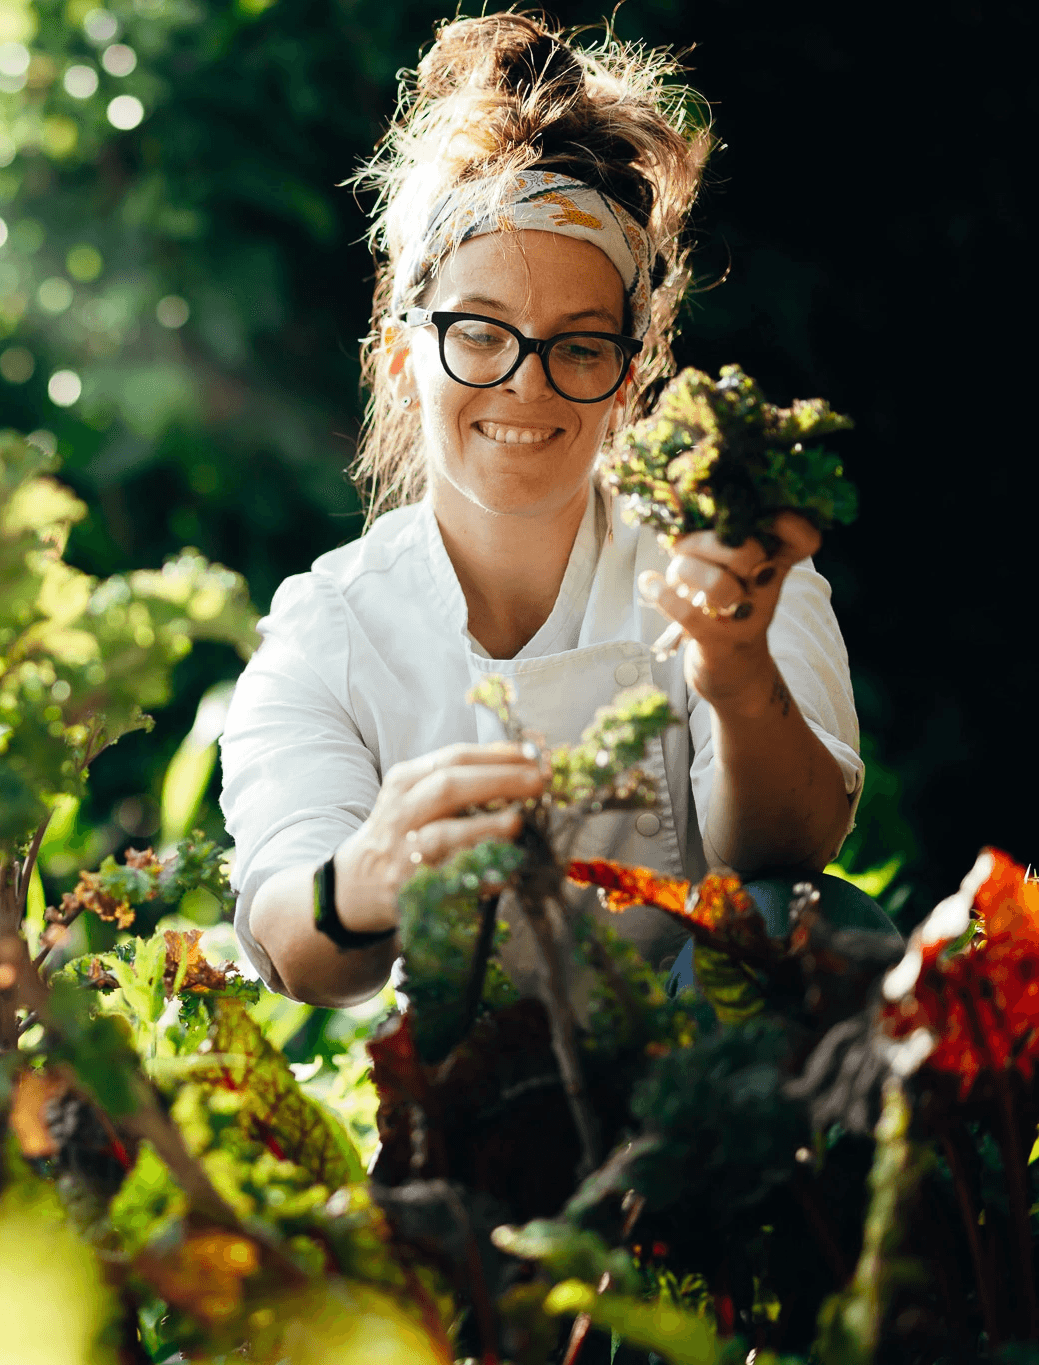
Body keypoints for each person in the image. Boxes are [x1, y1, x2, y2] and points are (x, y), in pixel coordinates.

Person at [219, 13, 864, 1009]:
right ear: (403, 355)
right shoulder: (329, 629)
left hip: (717, 1076)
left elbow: (795, 852)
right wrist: (365, 876)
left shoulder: (727, 567)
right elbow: (293, 944)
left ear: (626, 378)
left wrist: (733, 673)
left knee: (821, 928)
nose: (525, 386)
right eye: (481, 333)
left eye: (577, 346)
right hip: (478, 1113)